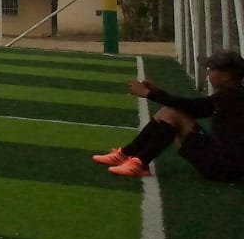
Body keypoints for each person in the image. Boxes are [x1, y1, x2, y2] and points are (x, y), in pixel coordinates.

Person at [93, 50, 244, 180]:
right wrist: (157, 92)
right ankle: (128, 154)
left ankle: (139, 162)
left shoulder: (231, 97)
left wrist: (149, 94)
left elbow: (192, 107)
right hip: (225, 162)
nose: (208, 73)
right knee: (171, 110)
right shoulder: (233, 94)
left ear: (226, 75)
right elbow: (191, 108)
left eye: (212, 69)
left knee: (173, 113)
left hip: (223, 168)